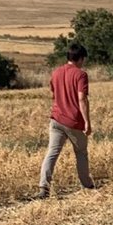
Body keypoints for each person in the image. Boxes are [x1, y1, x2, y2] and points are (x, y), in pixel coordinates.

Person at [37, 43, 94, 198]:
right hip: (74, 121)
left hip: (56, 119)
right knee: (81, 152)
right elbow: (82, 98)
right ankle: (87, 185)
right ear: (81, 58)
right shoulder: (80, 75)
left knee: (52, 152)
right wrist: (87, 121)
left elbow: (53, 94)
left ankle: (44, 186)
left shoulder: (56, 73)